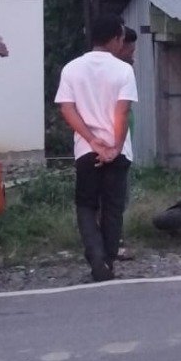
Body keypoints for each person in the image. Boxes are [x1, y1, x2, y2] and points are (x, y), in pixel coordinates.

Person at [55, 14, 138, 281]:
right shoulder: (123, 70)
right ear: (114, 39)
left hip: (86, 150)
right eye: (121, 38)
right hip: (117, 151)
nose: (122, 43)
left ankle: (96, 257)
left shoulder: (71, 69)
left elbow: (67, 109)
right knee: (113, 208)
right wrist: (114, 147)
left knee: (86, 205)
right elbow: (122, 112)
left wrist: (92, 141)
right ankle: (108, 261)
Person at [113, 27, 138, 263]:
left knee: (120, 196)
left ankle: (111, 240)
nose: (133, 55)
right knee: (115, 196)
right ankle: (115, 242)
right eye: (130, 49)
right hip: (113, 144)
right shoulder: (119, 73)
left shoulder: (125, 71)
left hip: (123, 144)